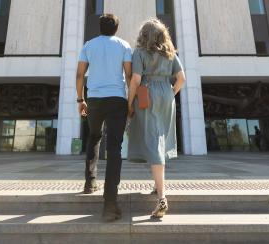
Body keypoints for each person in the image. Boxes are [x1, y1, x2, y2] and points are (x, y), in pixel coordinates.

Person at [127, 18, 186, 219]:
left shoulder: (140, 53)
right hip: (167, 95)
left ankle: (162, 197)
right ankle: (157, 185)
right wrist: (170, 92)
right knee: (160, 138)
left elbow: (135, 80)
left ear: (144, 35)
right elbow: (182, 78)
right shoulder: (170, 53)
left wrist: (129, 104)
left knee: (153, 140)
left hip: (146, 94)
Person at [76, 13, 132, 222]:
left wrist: (80, 100)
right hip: (117, 99)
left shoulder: (89, 45)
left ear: (99, 27)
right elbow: (128, 75)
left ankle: (90, 182)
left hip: (95, 99)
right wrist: (131, 101)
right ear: (116, 28)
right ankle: (110, 204)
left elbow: (80, 74)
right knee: (114, 148)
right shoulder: (124, 45)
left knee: (94, 137)